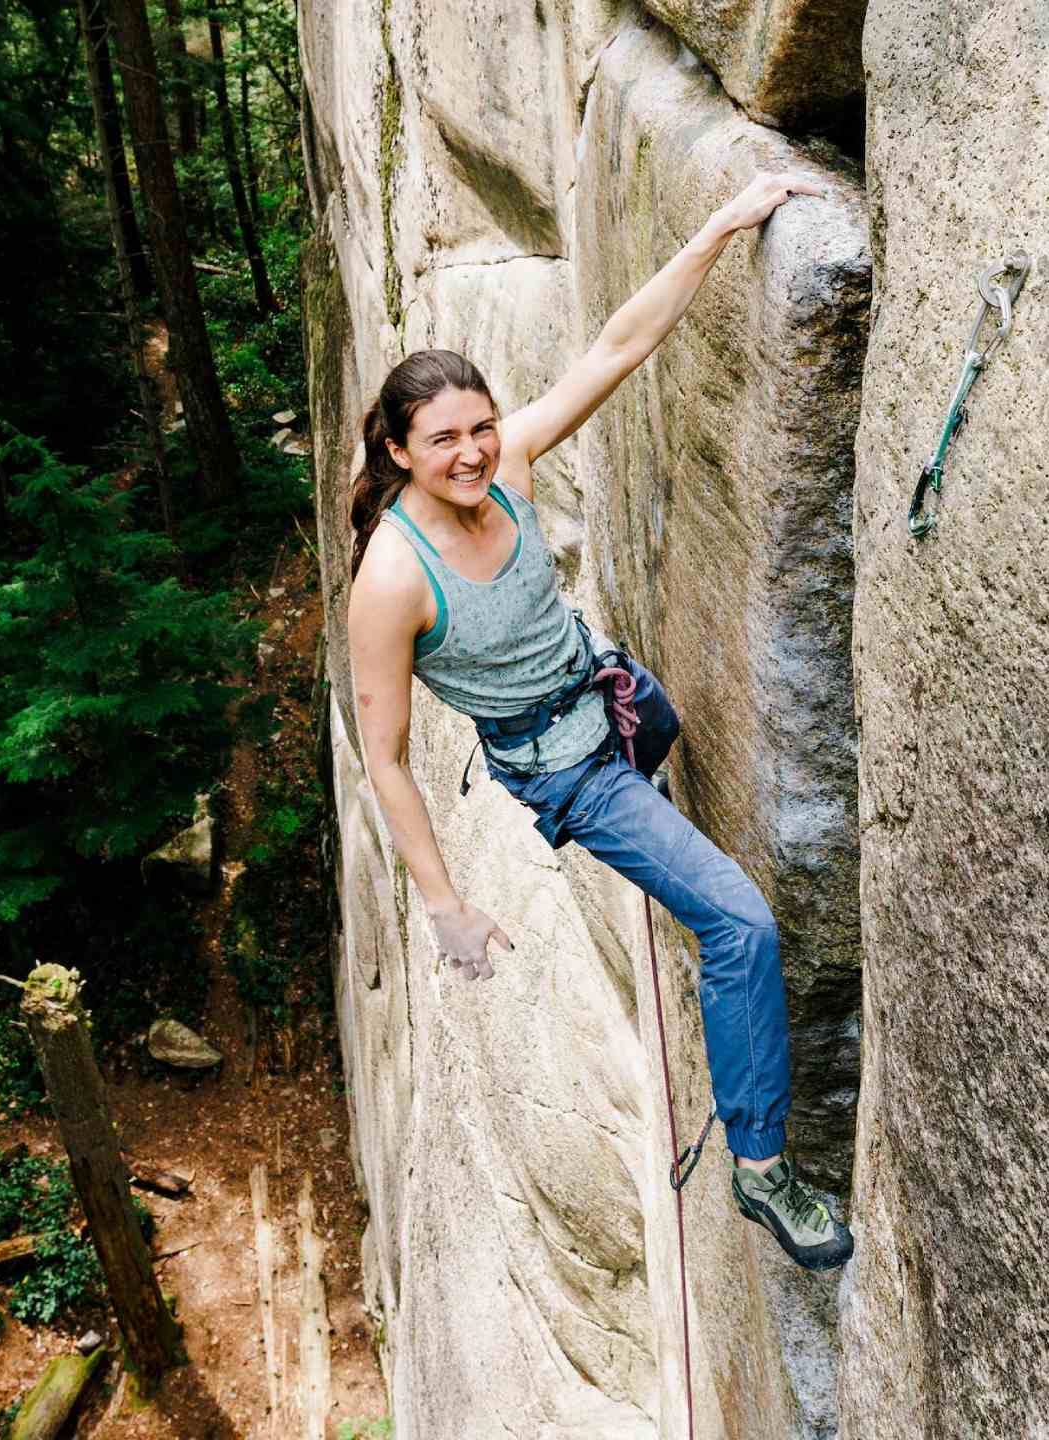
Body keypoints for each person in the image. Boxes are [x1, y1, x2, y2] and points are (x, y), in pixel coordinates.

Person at [343, 171, 852, 1272]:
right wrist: (445, 907)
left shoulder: (511, 468)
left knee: (691, 850)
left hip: (618, 700)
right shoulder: (392, 579)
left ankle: (684, 902)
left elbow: (618, 348)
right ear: (396, 451)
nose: (473, 452)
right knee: (739, 923)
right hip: (571, 773)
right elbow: (383, 760)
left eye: (480, 427)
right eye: (443, 441)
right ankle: (762, 1171)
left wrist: (719, 222)